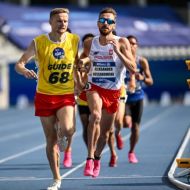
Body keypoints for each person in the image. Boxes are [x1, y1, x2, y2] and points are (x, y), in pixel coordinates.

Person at [15, 8, 79, 190]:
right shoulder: (39, 42)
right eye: (59, 21)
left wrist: (81, 73)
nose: (63, 24)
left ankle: (63, 134)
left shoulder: (74, 40)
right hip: (44, 95)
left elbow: (77, 63)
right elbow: (19, 64)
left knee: (68, 129)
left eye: (66, 21)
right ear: (50, 22)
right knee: (50, 140)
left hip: (65, 93)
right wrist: (25, 70)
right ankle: (56, 179)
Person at [78, 7, 136, 178]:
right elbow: (86, 58)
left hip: (113, 91)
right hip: (94, 86)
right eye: (102, 20)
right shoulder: (90, 42)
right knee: (94, 116)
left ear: (114, 24)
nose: (105, 23)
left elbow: (132, 68)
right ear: (98, 23)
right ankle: (89, 158)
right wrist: (82, 63)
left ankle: (97, 157)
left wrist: (118, 51)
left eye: (109, 21)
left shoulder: (123, 42)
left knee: (105, 133)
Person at [124, 35, 153, 163]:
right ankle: (118, 130)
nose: (131, 46)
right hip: (123, 97)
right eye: (128, 43)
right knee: (125, 122)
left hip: (138, 97)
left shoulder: (142, 61)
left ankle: (131, 152)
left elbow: (150, 81)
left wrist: (143, 78)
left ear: (137, 46)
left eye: (133, 43)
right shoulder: (120, 60)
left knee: (135, 127)